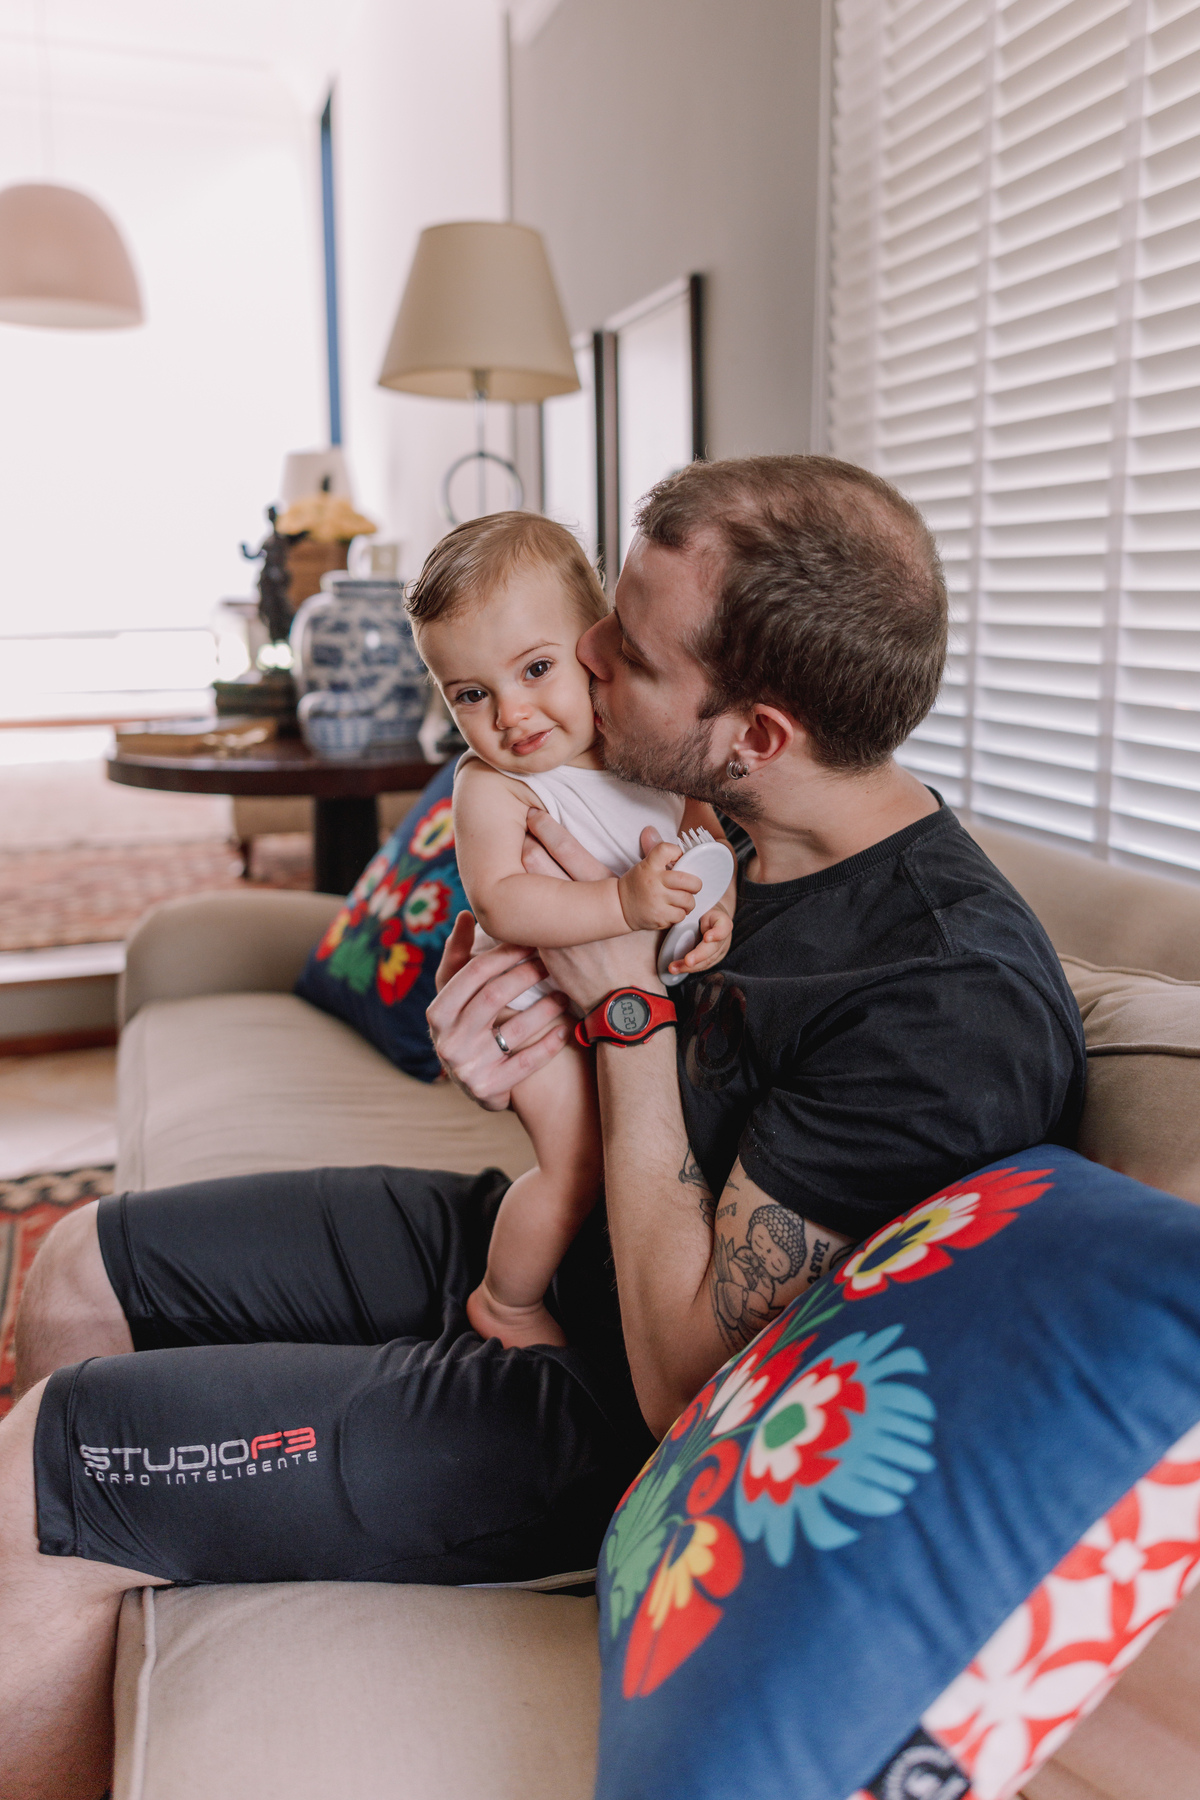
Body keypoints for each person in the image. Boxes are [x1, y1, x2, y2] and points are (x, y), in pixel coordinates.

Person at [0, 455, 1086, 1800]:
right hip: (550, 1240)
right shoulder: (724, 825)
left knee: (32, 1479)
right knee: (75, 1264)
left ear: (755, 728)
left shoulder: (942, 1002)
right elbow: (564, 980)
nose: (579, 656)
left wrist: (622, 1021)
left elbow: (690, 1383)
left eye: (620, 649)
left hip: (602, 1420)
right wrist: (513, 1050)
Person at [407, 512, 735, 1349]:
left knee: (645, 1156)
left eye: (536, 669)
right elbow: (503, 901)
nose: (511, 713)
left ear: (595, 646)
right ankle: (506, 1304)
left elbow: (702, 830)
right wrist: (622, 906)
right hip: (540, 1018)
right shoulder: (494, 785)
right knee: (578, 1169)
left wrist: (715, 912)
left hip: (633, 1009)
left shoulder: (639, 744)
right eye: (471, 695)